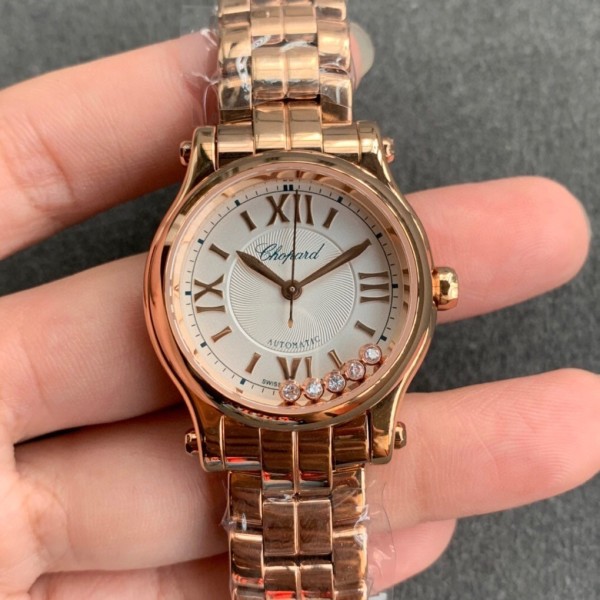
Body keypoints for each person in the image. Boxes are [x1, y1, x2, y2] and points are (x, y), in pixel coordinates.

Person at [0, 23, 598, 600]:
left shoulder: (341, 162)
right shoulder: (234, 161)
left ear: (433, 289)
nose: (291, 289)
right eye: (286, 284)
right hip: (236, 410)